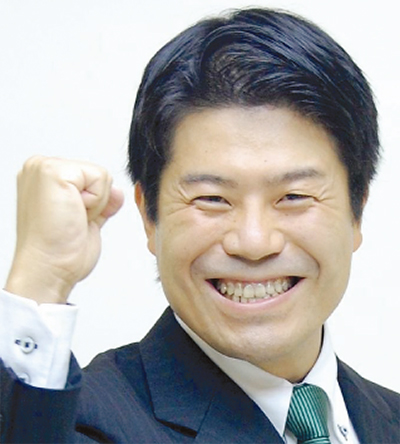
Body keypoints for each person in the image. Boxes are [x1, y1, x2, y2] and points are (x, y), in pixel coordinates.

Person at [0, 7, 399, 444]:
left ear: (357, 211)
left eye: (293, 197)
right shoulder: (75, 421)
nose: (253, 242)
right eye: (212, 199)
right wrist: (39, 281)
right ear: (148, 216)